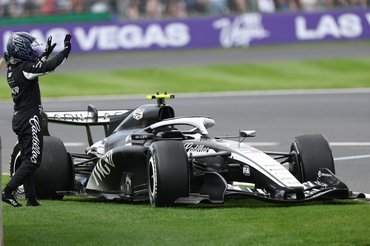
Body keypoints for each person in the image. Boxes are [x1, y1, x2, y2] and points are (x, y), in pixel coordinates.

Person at [1, 32, 71, 207]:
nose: (31, 50)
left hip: (20, 118)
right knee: (33, 161)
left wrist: (45, 53)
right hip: (29, 119)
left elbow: (35, 68)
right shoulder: (24, 69)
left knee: (27, 159)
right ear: (20, 49)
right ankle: (7, 191)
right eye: (29, 47)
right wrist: (65, 51)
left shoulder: (13, 69)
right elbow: (49, 68)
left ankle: (31, 199)